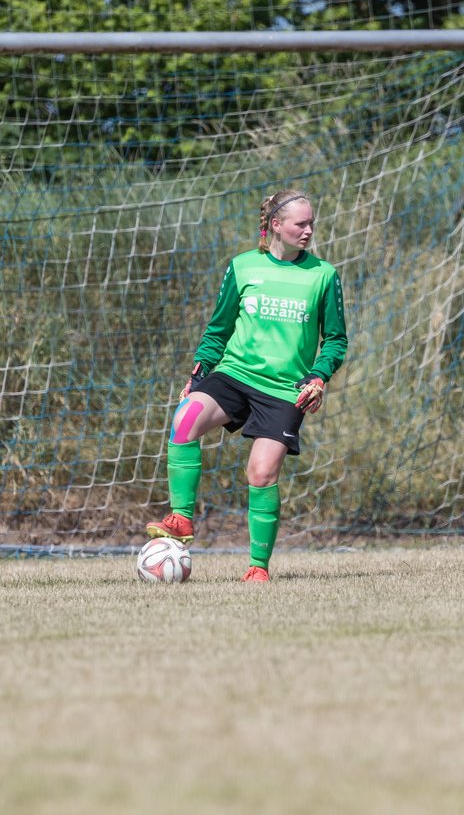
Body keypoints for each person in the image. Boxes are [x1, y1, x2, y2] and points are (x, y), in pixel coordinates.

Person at [147, 188, 349, 582]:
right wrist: (199, 374)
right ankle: (182, 519)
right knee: (185, 418)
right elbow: (219, 328)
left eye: (311, 224)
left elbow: (337, 340)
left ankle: (257, 568)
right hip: (235, 375)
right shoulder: (242, 267)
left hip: (285, 390)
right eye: (300, 223)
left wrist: (318, 375)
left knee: (260, 474)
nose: (308, 231)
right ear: (276, 225)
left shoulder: (323, 275)